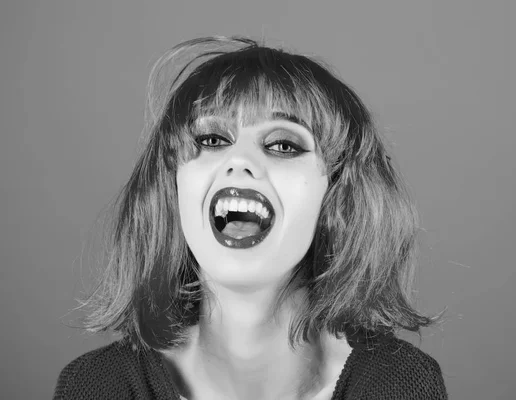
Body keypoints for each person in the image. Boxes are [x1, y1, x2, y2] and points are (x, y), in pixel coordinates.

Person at [53, 36, 447, 400]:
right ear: (172, 185)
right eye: (212, 140)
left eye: (282, 144)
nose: (238, 161)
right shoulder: (98, 385)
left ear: (337, 193)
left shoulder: (400, 384)